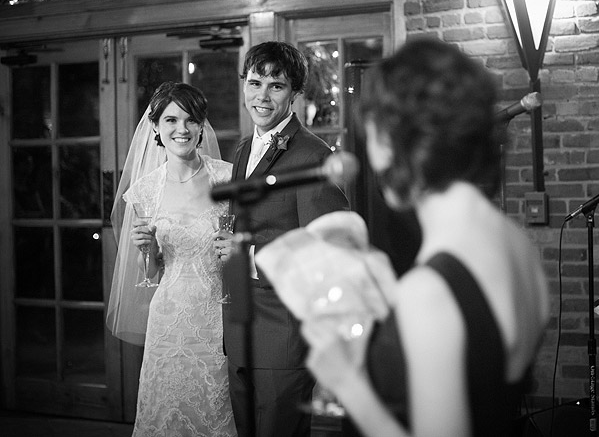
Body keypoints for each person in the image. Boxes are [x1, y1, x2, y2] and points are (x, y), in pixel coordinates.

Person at [300, 37, 550, 437]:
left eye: (372, 135)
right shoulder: (518, 244)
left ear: (394, 140)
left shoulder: (429, 292)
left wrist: (347, 382)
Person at [217, 41, 349, 437]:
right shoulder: (244, 149)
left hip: (283, 336)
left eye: (276, 86)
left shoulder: (313, 156)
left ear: (294, 94)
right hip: (240, 330)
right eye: (254, 83)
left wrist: (248, 254)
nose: (262, 96)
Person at [106, 81, 237, 436]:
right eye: (171, 120)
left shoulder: (227, 178)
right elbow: (150, 273)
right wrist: (146, 250)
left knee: (215, 411)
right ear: (155, 127)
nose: (182, 129)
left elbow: (239, 250)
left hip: (216, 318)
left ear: (201, 125)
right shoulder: (145, 191)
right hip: (168, 320)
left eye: (191, 119)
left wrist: (236, 248)